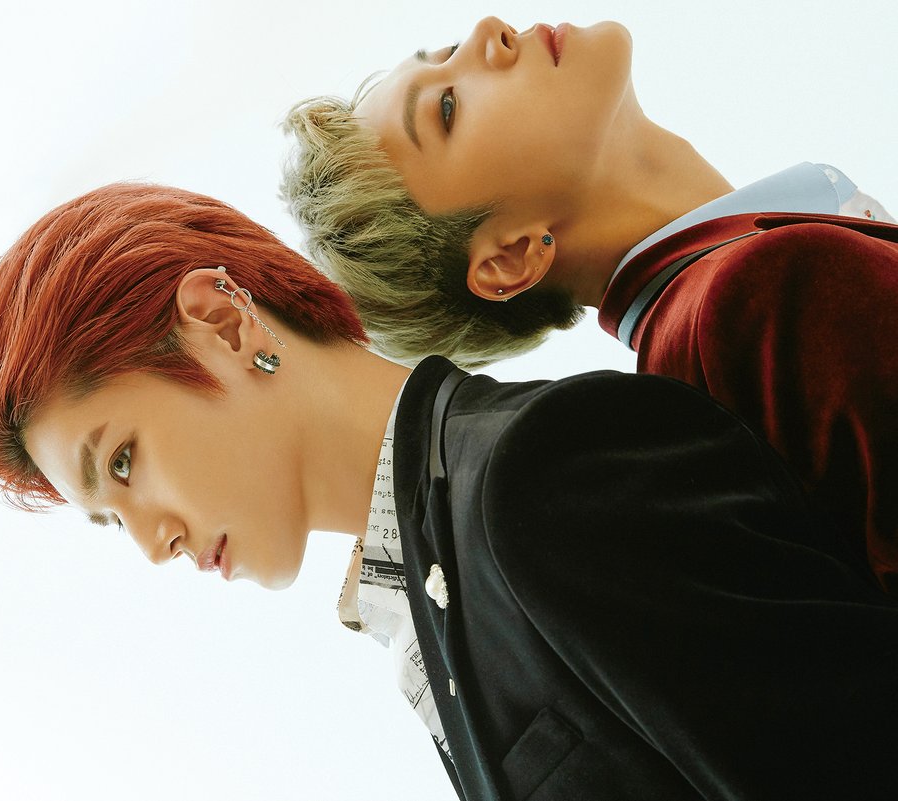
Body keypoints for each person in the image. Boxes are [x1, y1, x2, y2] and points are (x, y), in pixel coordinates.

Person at [0, 182, 898, 801]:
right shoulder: (432, 593)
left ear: (223, 324)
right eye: (112, 522)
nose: (155, 542)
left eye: (122, 463)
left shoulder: (540, 472)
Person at [280, 16, 898, 596]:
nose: (489, 31)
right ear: (510, 258)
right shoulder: (765, 297)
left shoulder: (711, 341)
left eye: (448, 53)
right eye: (447, 108)